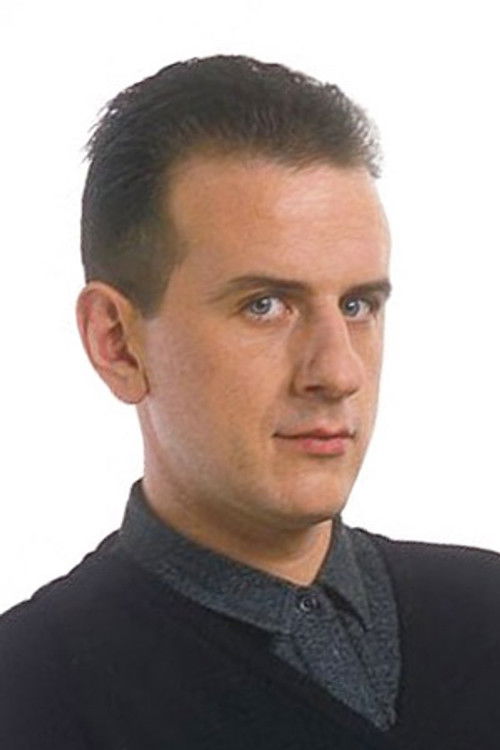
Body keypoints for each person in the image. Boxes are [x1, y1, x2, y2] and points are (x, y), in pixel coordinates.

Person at [0, 54, 499, 750]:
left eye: (358, 304)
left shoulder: (486, 612)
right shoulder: (28, 693)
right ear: (118, 343)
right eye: (265, 305)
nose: (339, 371)